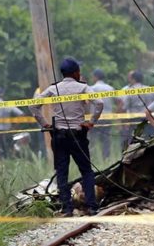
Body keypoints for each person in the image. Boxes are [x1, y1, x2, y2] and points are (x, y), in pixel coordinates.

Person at [30, 58, 104, 217]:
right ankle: (92, 206)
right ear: (76, 72)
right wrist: (91, 122)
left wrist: (45, 124)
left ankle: (67, 209)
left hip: (59, 136)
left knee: (62, 172)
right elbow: (99, 103)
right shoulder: (83, 87)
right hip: (78, 135)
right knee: (86, 171)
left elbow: (33, 106)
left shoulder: (53, 89)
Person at [90, 69, 120, 161]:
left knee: (93, 140)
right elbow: (119, 101)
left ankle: (92, 159)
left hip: (95, 118)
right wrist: (116, 113)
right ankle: (106, 158)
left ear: (95, 77)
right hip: (108, 117)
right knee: (106, 140)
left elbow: (86, 103)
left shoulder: (92, 88)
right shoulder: (110, 88)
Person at [120, 70, 154, 146]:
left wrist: (124, 122)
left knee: (135, 142)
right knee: (149, 141)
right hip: (149, 119)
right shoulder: (149, 89)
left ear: (133, 79)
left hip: (135, 121)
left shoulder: (130, 91)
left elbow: (124, 107)